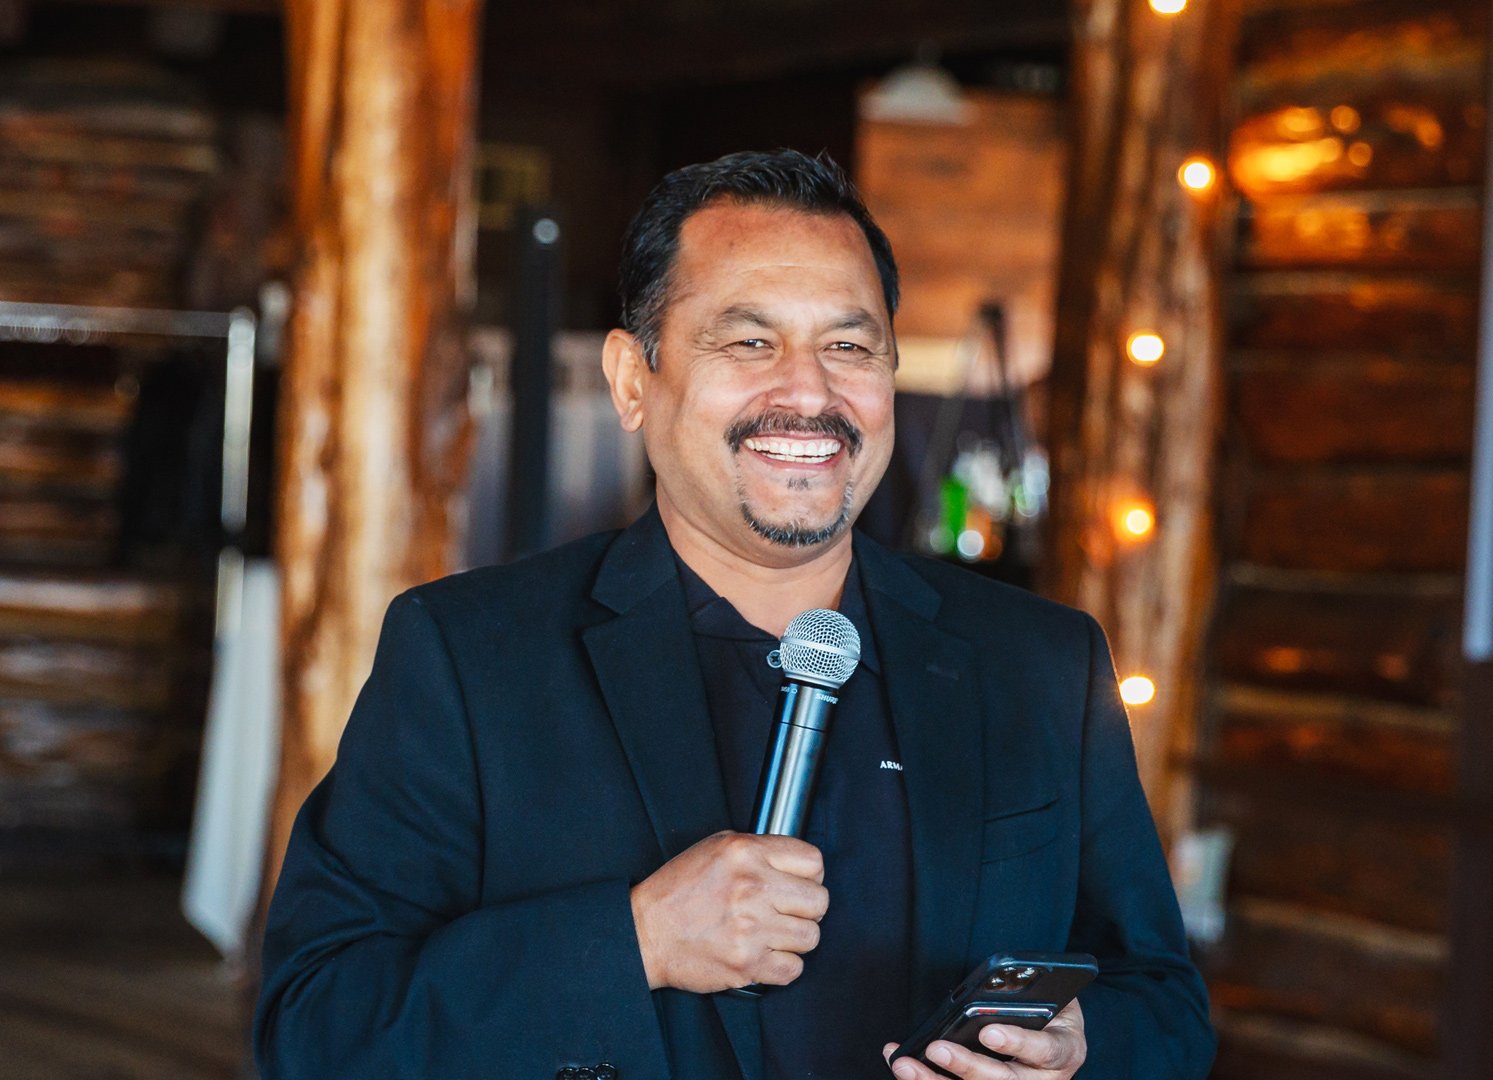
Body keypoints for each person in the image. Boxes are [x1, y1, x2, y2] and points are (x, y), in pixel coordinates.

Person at [255, 149, 1213, 1080]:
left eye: (848, 345)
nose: (808, 392)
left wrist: (1083, 1051)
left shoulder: (1041, 661)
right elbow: (317, 1027)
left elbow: (1164, 1004)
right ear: (634, 380)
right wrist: (634, 942)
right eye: (749, 341)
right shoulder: (469, 658)